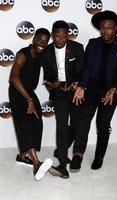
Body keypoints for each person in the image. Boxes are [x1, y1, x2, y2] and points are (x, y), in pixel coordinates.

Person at [71, 10, 117, 171]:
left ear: (116, 28)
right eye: (102, 27)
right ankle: (78, 155)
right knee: (84, 120)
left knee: (103, 124)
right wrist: (82, 86)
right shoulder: (93, 43)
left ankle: (99, 156)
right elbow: (86, 68)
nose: (105, 31)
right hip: (91, 89)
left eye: (109, 27)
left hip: (109, 92)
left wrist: (114, 88)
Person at [9, 28, 53, 181]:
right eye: (40, 40)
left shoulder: (41, 54)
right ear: (34, 39)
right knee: (25, 124)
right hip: (17, 92)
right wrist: (29, 100)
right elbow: (13, 78)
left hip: (28, 92)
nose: (42, 43)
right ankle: (36, 164)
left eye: (45, 41)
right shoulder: (23, 54)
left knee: (37, 121)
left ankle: (22, 156)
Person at [42, 20, 84, 178]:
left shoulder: (77, 48)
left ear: (68, 35)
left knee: (75, 124)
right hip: (59, 92)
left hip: (75, 91)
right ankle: (62, 164)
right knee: (61, 126)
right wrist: (54, 85)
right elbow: (47, 76)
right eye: (57, 35)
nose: (60, 39)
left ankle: (62, 149)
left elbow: (81, 72)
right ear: (52, 35)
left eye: (63, 35)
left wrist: (74, 84)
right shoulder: (46, 52)